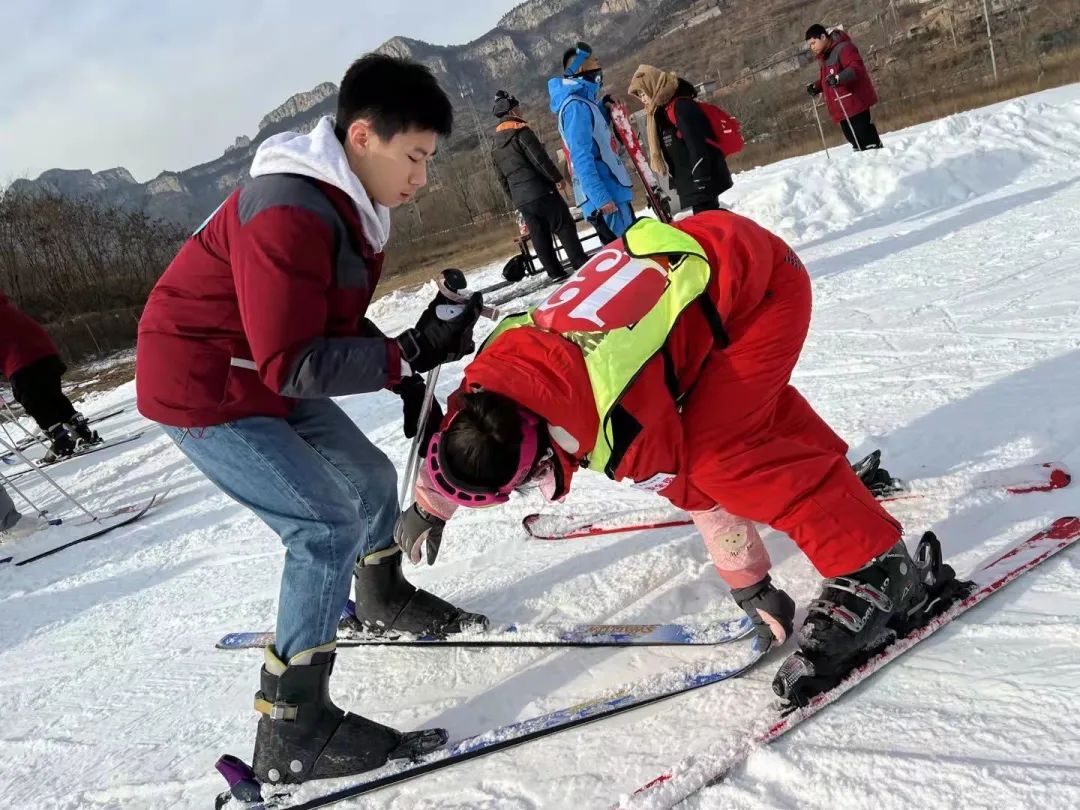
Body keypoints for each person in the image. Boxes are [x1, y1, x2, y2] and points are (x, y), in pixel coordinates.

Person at [396, 211, 952, 705]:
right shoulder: (493, 374)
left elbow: (703, 496)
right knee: (730, 415)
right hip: (702, 256)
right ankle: (821, 483)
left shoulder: (622, 428)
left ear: (542, 457)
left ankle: (874, 568)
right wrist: (430, 504)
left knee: (719, 457)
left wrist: (749, 584)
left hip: (760, 290)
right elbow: (475, 438)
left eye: (526, 481)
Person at [136, 54, 486, 786]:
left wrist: (402, 366)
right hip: (204, 384)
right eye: (415, 156)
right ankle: (293, 729)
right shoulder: (291, 209)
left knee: (367, 476)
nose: (422, 176)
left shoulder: (348, 202)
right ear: (364, 136)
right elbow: (292, 362)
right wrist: (405, 354)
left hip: (260, 367)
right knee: (322, 525)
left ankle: (380, 597)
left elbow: (321, 324)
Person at [491, 90, 588, 281]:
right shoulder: (521, 132)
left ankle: (554, 272)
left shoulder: (495, 145)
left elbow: (501, 177)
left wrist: (515, 199)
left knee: (539, 234)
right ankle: (580, 263)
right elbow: (539, 160)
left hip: (521, 199)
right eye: (518, 107)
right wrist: (558, 179)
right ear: (513, 110)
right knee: (563, 224)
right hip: (541, 190)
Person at [548, 41, 635, 241]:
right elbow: (581, 156)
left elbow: (595, 136)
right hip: (606, 197)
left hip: (612, 189)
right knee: (627, 255)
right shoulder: (575, 107)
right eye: (595, 62)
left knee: (634, 249)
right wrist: (601, 197)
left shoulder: (584, 103)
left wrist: (603, 107)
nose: (600, 67)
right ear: (580, 68)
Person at [0, 291, 101, 461]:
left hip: (21, 361)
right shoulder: (6, 308)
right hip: (46, 354)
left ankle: (61, 440)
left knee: (34, 402)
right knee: (52, 395)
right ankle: (80, 429)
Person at [627, 65, 733, 214]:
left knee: (711, 223)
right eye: (640, 95)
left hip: (700, 181)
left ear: (653, 86)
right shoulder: (660, 112)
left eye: (643, 93)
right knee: (711, 223)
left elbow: (696, 142)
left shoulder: (680, 106)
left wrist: (700, 176)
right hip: (689, 182)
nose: (643, 98)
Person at [805, 24, 882, 151]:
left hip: (854, 101)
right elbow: (828, 79)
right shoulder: (825, 56)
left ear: (823, 36)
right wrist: (816, 86)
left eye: (813, 43)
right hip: (841, 106)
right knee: (853, 138)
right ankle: (865, 163)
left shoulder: (844, 48)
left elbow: (856, 68)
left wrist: (838, 78)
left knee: (864, 137)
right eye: (810, 45)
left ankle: (878, 155)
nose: (812, 47)